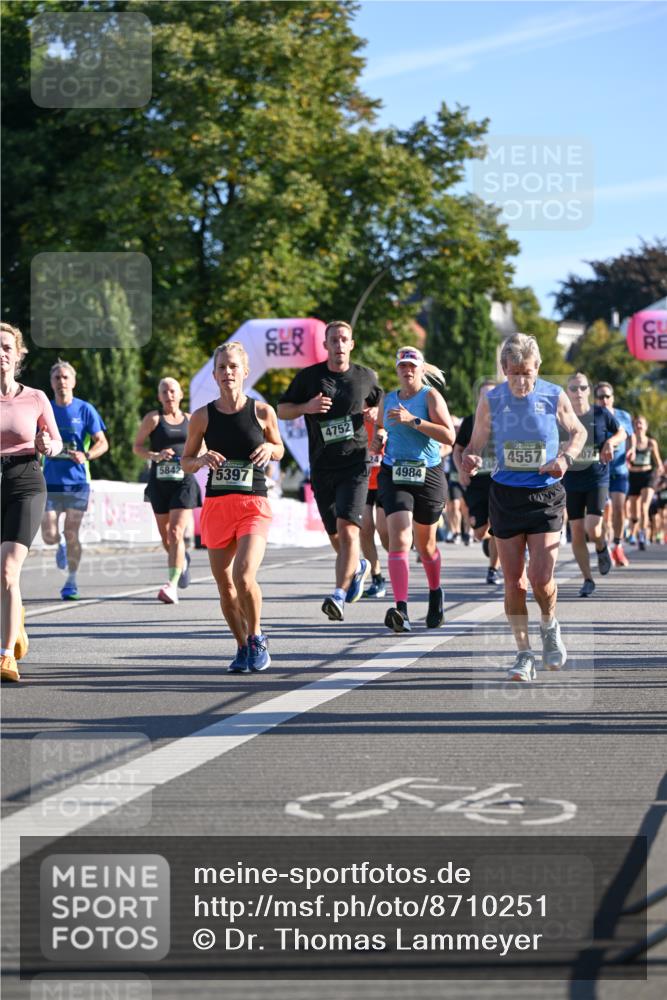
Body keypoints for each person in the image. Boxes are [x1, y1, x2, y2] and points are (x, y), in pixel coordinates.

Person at [462, 333, 587, 682]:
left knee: (541, 579)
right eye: (514, 373)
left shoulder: (552, 395)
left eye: (527, 373)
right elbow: (476, 443)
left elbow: (577, 432)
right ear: (503, 369)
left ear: (538, 369)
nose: (521, 381)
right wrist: (470, 457)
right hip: (505, 495)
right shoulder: (491, 399)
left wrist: (565, 458)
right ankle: (523, 654)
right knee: (514, 582)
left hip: (546, 494)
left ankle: (550, 625)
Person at [181, 341, 284, 672]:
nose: (228, 372)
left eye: (233, 366)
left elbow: (280, 449)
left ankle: (256, 637)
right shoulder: (202, 417)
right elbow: (185, 462)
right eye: (222, 367)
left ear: (245, 372)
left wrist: (270, 447)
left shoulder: (262, 411)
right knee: (224, 585)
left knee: (243, 574)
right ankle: (241, 646)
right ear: (214, 374)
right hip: (217, 505)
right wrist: (200, 458)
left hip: (253, 502)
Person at [277, 321, 381, 622]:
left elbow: (379, 400)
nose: (338, 344)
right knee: (335, 534)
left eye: (343, 339)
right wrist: (306, 407)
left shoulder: (365, 377)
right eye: (333, 340)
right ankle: (358, 566)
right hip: (322, 467)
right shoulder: (309, 378)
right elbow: (282, 409)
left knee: (349, 529)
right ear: (325, 345)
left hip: (356, 464)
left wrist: (376, 415)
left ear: (351, 344)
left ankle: (338, 594)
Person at [372, 346, 455, 633]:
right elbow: (382, 427)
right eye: (402, 366)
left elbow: (449, 435)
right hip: (395, 472)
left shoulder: (429, 397)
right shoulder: (389, 398)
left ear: (421, 370)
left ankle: (435, 592)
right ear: (396, 370)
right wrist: (378, 439)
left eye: (412, 366)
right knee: (400, 537)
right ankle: (401, 609)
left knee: (426, 545)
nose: (407, 371)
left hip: (428, 472)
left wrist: (414, 421)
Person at [1, 322, 62, 682]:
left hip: (25, 480)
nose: (1, 353)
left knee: (8, 568)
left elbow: (54, 441)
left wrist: (46, 445)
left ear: (18, 354)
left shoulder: (35, 397)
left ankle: (6, 655)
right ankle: (16, 625)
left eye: (7, 346)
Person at [40, 360, 108, 600]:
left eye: (65, 377)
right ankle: (58, 546)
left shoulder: (85, 410)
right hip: (49, 480)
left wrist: (86, 454)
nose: (61, 382)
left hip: (78, 481)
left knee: (71, 531)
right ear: (51, 382)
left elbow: (103, 442)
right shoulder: (44, 409)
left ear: (73, 381)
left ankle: (71, 581)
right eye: (57, 378)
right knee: (49, 533)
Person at [133, 378, 201, 604]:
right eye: (164, 391)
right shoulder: (153, 419)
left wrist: (194, 459)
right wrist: (155, 455)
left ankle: (171, 585)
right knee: (166, 537)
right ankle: (182, 561)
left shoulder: (191, 420)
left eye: (172, 391)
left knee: (176, 533)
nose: (169, 395)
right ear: (159, 396)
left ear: (180, 394)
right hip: (159, 482)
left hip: (184, 481)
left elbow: (203, 447)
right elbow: (138, 446)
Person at [562, 373, 625, 597]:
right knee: (577, 531)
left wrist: (610, 442)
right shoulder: (562, 417)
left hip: (598, 477)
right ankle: (587, 579)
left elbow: (622, 432)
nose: (578, 392)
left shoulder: (600, 413)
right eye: (573, 388)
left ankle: (601, 546)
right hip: (571, 479)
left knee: (593, 528)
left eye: (582, 388)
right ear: (567, 392)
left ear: (589, 391)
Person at [453, 380, 502, 585]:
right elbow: (457, 449)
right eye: (484, 396)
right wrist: (460, 470)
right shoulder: (470, 422)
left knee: (499, 526)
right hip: (477, 482)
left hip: (500, 481)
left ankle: (493, 569)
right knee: (480, 532)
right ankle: (490, 539)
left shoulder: (508, 421)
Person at [594, 382, 635, 566]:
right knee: (601, 514)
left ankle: (617, 545)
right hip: (598, 470)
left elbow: (629, 435)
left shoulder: (623, 415)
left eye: (607, 396)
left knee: (619, 508)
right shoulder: (591, 416)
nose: (604, 400)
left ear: (613, 398)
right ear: (595, 399)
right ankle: (605, 547)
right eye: (600, 397)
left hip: (618, 470)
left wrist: (632, 449)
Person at [361, 406, 388, 598]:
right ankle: (377, 577)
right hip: (362, 479)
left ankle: (397, 557)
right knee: (365, 527)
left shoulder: (385, 411)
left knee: (384, 529)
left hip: (384, 478)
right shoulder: (350, 413)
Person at [627, 415, 663, 551]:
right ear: (634, 426)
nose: (639, 426)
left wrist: (659, 471)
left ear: (646, 427)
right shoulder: (630, 441)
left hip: (647, 475)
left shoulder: (651, 443)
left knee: (644, 507)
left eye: (641, 424)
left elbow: (658, 461)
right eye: (636, 424)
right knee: (634, 511)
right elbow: (625, 459)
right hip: (633, 476)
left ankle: (642, 535)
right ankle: (633, 533)